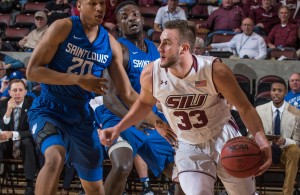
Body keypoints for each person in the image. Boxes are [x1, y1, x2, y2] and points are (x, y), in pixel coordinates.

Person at [99, 19, 272, 195]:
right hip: (188, 143)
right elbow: (143, 104)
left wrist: (262, 140)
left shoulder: (215, 71)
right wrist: (118, 128)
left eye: (167, 44)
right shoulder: (151, 73)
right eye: (160, 42)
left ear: (184, 48)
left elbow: (245, 108)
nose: (159, 49)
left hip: (222, 134)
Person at [25, 0, 138, 194]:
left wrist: (158, 112)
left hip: (81, 115)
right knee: (55, 157)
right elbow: (32, 71)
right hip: (49, 107)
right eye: (93, 3)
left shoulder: (110, 43)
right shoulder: (63, 27)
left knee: (95, 188)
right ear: (79, 5)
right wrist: (78, 80)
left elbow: (127, 93)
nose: (99, 8)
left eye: (102, 3)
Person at [95, 1, 180, 194]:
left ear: (142, 19)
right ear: (119, 26)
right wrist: (134, 119)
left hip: (149, 118)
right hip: (117, 116)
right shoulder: (119, 50)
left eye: (134, 14)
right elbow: (108, 97)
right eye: (124, 17)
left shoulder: (157, 51)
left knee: (182, 173)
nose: (131, 18)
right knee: (123, 165)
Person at [256, 80, 300, 195]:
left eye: (279, 91)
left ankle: (287, 192)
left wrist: (285, 141)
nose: (276, 93)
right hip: (265, 149)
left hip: (284, 151)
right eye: (273, 90)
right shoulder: (259, 110)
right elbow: (251, 134)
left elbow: (297, 141)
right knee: (249, 148)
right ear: (270, 92)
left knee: (295, 150)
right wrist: (264, 140)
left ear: (285, 93)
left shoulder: (296, 113)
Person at [0, 79, 36, 195]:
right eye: (14, 90)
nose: (17, 93)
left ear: (26, 92)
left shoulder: (32, 104)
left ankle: (29, 185)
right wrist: (8, 112)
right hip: (8, 145)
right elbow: (2, 128)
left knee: (27, 143)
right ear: (9, 92)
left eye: (20, 90)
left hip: (25, 142)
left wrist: (14, 134)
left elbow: (34, 130)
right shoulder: (2, 105)